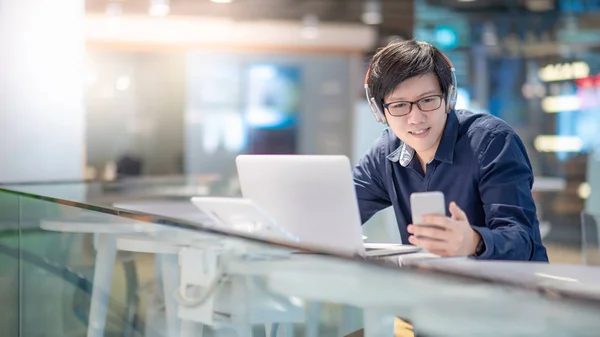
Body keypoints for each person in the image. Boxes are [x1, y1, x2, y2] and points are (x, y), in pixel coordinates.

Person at [354, 39, 548, 261]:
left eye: (427, 100)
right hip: (434, 289)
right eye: (399, 105)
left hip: (511, 290)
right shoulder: (386, 152)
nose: (415, 118)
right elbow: (342, 211)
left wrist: (474, 242)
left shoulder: (493, 141)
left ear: (449, 98)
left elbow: (523, 242)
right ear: (380, 111)